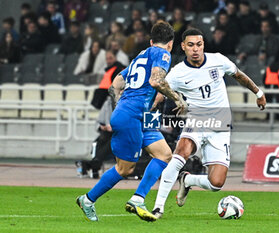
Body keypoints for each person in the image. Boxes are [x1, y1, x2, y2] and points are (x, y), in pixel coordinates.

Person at [76, 21, 187, 222]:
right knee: (124, 169)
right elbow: (156, 81)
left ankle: (138, 198)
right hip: (132, 116)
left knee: (165, 154)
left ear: (152, 41)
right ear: (171, 43)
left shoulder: (140, 56)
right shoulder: (162, 54)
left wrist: (122, 106)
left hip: (136, 115)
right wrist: (178, 99)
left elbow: (114, 86)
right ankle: (88, 199)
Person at [151, 28, 266, 218]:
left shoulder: (218, 60)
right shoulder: (177, 73)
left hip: (220, 125)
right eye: (190, 45)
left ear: (203, 45)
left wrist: (258, 93)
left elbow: (238, 75)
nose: (195, 49)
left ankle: (187, 180)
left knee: (216, 183)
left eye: (199, 44)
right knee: (181, 153)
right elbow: (159, 94)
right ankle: (158, 208)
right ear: (183, 47)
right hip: (196, 121)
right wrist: (147, 112)